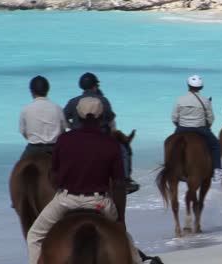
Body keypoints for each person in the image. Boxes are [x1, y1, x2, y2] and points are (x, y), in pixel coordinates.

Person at [26, 97, 143, 264]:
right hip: (99, 202)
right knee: (129, 246)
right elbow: (118, 185)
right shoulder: (111, 144)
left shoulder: (64, 140)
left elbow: (53, 176)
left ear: (77, 117)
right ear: (101, 117)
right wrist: (121, 220)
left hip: (67, 200)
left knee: (34, 236)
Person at [64, 72, 139, 194]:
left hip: (77, 139)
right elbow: (110, 121)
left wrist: (72, 127)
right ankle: (125, 181)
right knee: (123, 152)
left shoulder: (73, 102)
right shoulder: (103, 101)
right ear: (95, 86)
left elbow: (63, 118)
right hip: (101, 138)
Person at [172, 75, 222, 181]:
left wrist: (179, 126)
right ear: (201, 87)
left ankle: (171, 167)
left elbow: (174, 117)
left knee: (171, 144)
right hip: (200, 129)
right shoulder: (205, 101)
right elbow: (210, 118)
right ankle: (217, 170)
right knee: (216, 145)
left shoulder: (180, 99)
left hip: (182, 128)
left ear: (188, 86)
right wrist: (208, 126)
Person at [19, 76, 67, 159]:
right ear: (47, 90)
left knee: (19, 168)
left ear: (31, 91)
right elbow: (63, 130)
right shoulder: (57, 108)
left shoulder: (26, 109)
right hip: (54, 149)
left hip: (33, 149)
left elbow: (23, 132)